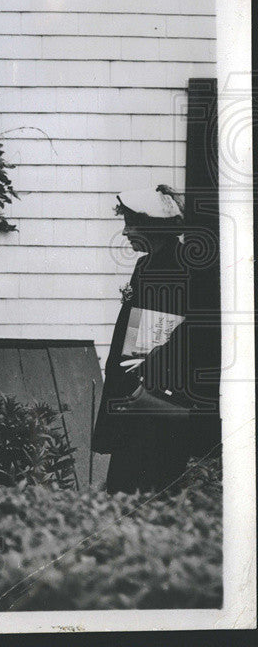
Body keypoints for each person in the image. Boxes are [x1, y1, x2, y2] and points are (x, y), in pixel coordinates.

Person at [91, 185, 218, 494]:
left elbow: (150, 345)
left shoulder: (172, 268)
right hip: (139, 403)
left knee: (141, 492)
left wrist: (133, 392)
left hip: (156, 407)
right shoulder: (149, 264)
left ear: (154, 226)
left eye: (131, 224)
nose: (124, 233)